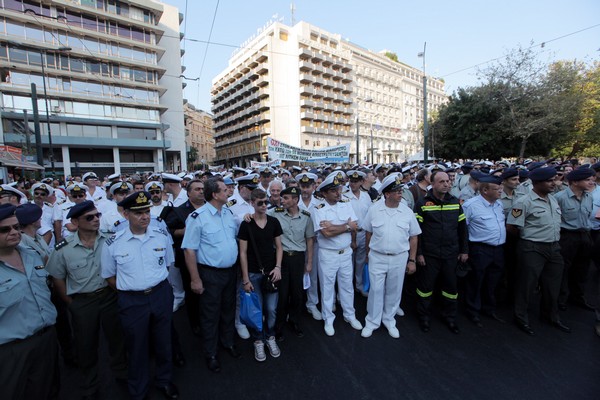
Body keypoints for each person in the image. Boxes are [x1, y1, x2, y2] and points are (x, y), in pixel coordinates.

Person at [101, 192, 178, 400]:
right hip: (132, 300)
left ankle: (164, 380)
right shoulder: (113, 243)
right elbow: (109, 275)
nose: (145, 216)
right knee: (136, 347)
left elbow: (168, 264)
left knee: (163, 343)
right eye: (138, 213)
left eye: (146, 211)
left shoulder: (161, 236)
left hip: (160, 294)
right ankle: (139, 388)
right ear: (126, 215)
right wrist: (131, 289)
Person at [47, 201, 127, 399]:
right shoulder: (63, 248)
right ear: (75, 222)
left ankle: (122, 374)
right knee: (86, 345)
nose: (96, 220)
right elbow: (57, 277)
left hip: (110, 297)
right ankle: (90, 386)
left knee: (117, 340)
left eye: (97, 215)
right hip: (83, 302)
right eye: (89, 217)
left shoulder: (111, 239)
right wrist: (70, 303)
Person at [182, 178, 241, 373]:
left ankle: (227, 342)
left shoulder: (228, 213)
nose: (229, 191)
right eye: (225, 190)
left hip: (230, 272)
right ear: (215, 195)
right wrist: (195, 278)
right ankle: (211, 353)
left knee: (228, 310)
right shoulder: (197, 217)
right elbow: (189, 250)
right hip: (210, 274)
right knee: (210, 315)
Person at [0, 204, 58, 400]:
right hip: (12, 350)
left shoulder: (31, 254)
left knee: (48, 391)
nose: (14, 232)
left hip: (46, 338)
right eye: (5, 229)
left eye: (16, 227)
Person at [507, 167, 570, 335]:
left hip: (554, 247)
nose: (554, 184)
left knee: (552, 286)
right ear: (538, 183)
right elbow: (512, 227)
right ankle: (520, 317)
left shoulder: (553, 200)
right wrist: (528, 239)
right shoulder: (523, 201)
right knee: (526, 285)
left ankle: (551, 316)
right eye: (550, 181)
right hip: (532, 248)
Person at [360, 174, 420, 339]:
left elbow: (414, 236)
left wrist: (412, 260)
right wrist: (367, 254)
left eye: (401, 190)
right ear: (387, 194)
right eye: (397, 191)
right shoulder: (374, 210)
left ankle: (389, 319)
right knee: (376, 290)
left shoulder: (407, 211)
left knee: (394, 291)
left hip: (399, 257)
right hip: (377, 256)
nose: (400, 193)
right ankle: (372, 321)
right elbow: (368, 233)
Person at [414, 171, 468, 334]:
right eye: (442, 181)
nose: (447, 184)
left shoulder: (455, 202)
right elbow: (417, 231)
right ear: (432, 184)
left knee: (451, 288)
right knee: (425, 289)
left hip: (451, 254)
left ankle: (449, 317)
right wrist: (419, 253)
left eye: (448, 181)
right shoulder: (422, 203)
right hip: (429, 255)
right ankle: (424, 317)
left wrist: (464, 250)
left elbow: (462, 229)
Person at [311, 171, 363, 336]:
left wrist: (338, 227)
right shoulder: (318, 208)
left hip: (346, 252)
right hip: (328, 254)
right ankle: (328, 318)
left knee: (347, 286)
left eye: (339, 189)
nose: (338, 193)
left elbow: (355, 225)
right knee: (327, 288)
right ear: (324, 193)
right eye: (333, 190)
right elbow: (325, 233)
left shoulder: (346, 203)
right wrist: (346, 227)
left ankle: (350, 315)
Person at [238, 189, 283, 361]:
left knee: (271, 309)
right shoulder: (246, 224)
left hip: (272, 272)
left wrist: (278, 267)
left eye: (266, 202)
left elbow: (279, 247)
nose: (264, 206)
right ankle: (258, 339)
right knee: (255, 310)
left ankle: (270, 336)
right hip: (253, 273)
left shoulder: (273, 221)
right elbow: (242, 253)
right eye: (260, 203)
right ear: (252, 203)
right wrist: (245, 278)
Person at [269, 186, 314, 340]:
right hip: (281, 258)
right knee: (281, 295)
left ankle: (294, 321)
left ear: (295, 200)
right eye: (283, 198)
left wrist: (309, 263)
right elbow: (260, 215)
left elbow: (309, 240)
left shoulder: (306, 217)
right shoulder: (275, 213)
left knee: (297, 294)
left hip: (298, 258)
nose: (283, 201)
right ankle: (279, 325)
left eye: (286, 198)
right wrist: (249, 215)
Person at [161, 179, 205, 336]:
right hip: (188, 260)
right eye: (197, 189)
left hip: (208, 259)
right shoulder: (179, 211)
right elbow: (168, 232)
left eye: (203, 189)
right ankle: (195, 323)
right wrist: (183, 231)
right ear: (189, 193)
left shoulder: (211, 208)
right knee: (192, 294)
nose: (201, 191)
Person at [462, 175, 507, 327]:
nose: (500, 191)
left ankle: (488, 308)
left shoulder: (499, 204)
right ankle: (472, 311)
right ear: (485, 190)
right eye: (497, 189)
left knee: (492, 281)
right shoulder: (471, 205)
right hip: (480, 249)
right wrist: (465, 250)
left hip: (498, 249)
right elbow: (463, 230)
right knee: (476, 281)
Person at [553, 167, 595, 310]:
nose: (592, 182)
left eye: (592, 179)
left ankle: (577, 297)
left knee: (582, 268)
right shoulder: (560, 197)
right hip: (567, 236)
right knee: (563, 269)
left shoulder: (589, 197)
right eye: (587, 180)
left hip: (584, 235)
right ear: (575, 182)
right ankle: (561, 299)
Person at [296, 172, 324, 320]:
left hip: (316, 244)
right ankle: (296, 304)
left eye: (308, 187)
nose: (305, 190)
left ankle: (312, 303)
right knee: (296, 276)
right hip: (297, 245)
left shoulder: (320, 203)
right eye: (303, 186)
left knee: (312, 275)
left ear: (314, 187)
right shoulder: (293, 202)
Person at [343, 170, 372, 296]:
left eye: (356, 181)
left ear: (361, 182)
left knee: (360, 261)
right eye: (351, 181)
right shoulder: (344, 196)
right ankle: (346, 289)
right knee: (347, 264)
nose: (353, 184)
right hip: (347, 233)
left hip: (363, 232)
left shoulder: (366, 196)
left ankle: (359, 285)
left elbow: (369, 215)